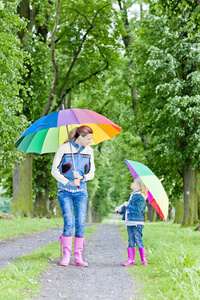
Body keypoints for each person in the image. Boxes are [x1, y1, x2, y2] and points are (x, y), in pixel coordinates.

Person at [51, 125, 95, 267]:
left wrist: (81, 177)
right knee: (69, 221)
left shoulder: (89, 151)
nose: (90, 141)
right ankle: (66, 255)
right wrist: (68, 181)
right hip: (64, 191)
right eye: (88, 138)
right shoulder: (63, 149)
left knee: (80, 222)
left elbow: (92, 173)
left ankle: (78, 256)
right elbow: (54, 171)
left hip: (81, 192)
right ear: (80, 137)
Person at [115, 177, 148, 266]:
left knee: (138, 239)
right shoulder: (132, 195)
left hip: (137, 223)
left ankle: (143, 260)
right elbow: (125, 208)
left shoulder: (140, 197)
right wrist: (120, 209)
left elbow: (137, 210)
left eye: (133, 182)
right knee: (130, 240)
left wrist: (128, 205)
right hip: (129, 222)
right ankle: (131, 259)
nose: (131, 184)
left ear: (138, 186)